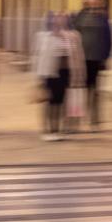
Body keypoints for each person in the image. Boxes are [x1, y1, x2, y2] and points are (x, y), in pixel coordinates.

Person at [33, 12, 85, 142]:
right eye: (57, 18)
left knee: (61, 101)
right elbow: (37, 56)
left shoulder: (73, 36)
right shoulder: (44, 36)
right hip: (49, 72)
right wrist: (37, 75)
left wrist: (80, 73)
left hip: (65, 72)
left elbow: (78, 56)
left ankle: (59, 129)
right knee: (50, 101)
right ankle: (48, 129)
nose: (60, 21)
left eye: (63, 18)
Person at [72, 0, 112, 128]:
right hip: (80, 59)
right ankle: (76, 118)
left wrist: (107, 57)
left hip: (96, 58)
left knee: (94, 90)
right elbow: (73, 35)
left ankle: (94, 118)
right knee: (78, 90)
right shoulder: (80, 16)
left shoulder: (103, 17)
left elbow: (108, 38)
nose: (91, 1)